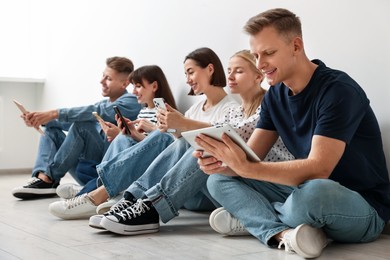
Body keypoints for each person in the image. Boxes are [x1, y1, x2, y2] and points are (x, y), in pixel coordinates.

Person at [193, 8, 390, 259]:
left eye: (268, 53)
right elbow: (252, 157)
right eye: (255, 55)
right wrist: (224, 162)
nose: (260, 64)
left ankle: (255, 216)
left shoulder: (338, 90)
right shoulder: (275, 95)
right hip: (302, 191)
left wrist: (246, 168)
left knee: (316, 191)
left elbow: (319, 169)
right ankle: (281, 233)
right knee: (218, 181)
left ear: (296, 45)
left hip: (361, 207)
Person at [91, 50, 294, 235]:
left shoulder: (270, 105)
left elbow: (232, 135)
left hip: (263, 182)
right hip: (229, 180)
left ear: (259, 76)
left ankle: (148, 207)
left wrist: (183, 123)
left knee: (205, 141)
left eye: (238, 71)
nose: (230, 76)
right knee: (190, 140)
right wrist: (179, 126)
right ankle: (136, 199)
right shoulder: (235, 110)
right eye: (229, 70)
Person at [48, 47, 238, 220]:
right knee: (137, 137)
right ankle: (116, 195)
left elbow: (221, 140)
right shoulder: (195, 109)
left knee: (164, 137)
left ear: (210, 69)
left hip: (202, 189)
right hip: (178, 184)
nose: (188, 79)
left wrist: (177, 125)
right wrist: (152, 132)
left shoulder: (230, 108)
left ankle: (99, 194)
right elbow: (174, 149)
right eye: (186, 74)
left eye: (191, 72)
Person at [12, 56, 142, 200]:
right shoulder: (103, 103)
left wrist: (54, 113)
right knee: (52, 129)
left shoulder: (132, 101)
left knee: (82, 124)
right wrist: (40, 120)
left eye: (109, 79)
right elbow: (70, 122)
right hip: (84, 168)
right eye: (103, 76)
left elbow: (97, 111)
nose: (101, 81)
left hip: (101, 173)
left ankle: (49, 177)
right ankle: (44, 178)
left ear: (124, 83)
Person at [54, 65, 178, 198]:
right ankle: (94, 188)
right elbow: (142, 141)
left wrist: (140, 132)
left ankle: (91, 191)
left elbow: (164, 147)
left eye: (138, 86)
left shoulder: (165, 113)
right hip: (135, 157)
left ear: (154, 86)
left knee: (122, 139)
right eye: (133, 87)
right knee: (121, 137)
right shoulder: (143, 111)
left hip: (146, 164)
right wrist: (125, 132)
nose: (134, 92)